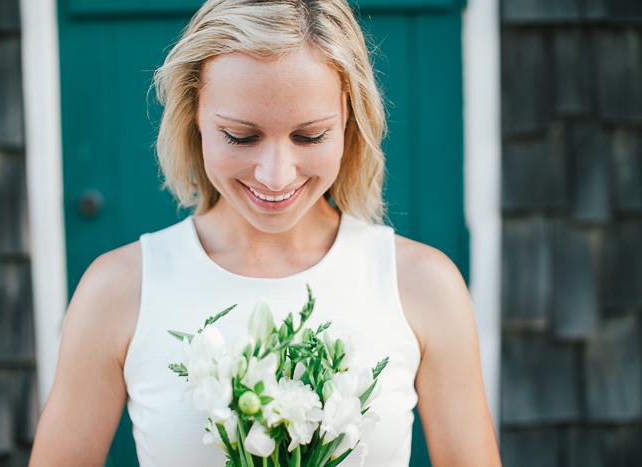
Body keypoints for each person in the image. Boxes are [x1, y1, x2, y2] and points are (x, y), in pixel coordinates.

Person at [30, 0, 501, 466]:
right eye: (240, 136)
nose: (276, 176)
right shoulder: (117, 290)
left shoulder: (423, 286)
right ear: (193, 116)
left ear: (349, 120)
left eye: (310, 136)